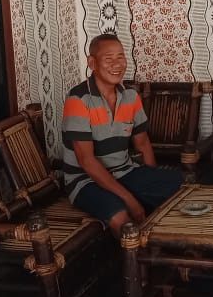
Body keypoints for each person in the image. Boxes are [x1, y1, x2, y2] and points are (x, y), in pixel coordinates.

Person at [61, 34, 182, 235]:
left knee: (180, 185)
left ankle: (165, 244)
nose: (117, 64)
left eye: (121, 57)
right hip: (85, 180)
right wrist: (130, 199)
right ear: (92, 63)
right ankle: (139, 254)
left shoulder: (130, 96)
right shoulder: (78, 100)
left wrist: (151, 180)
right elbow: (86, 161)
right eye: (108, 59)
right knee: (121, 217)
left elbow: (143, 144)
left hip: (125, 172)